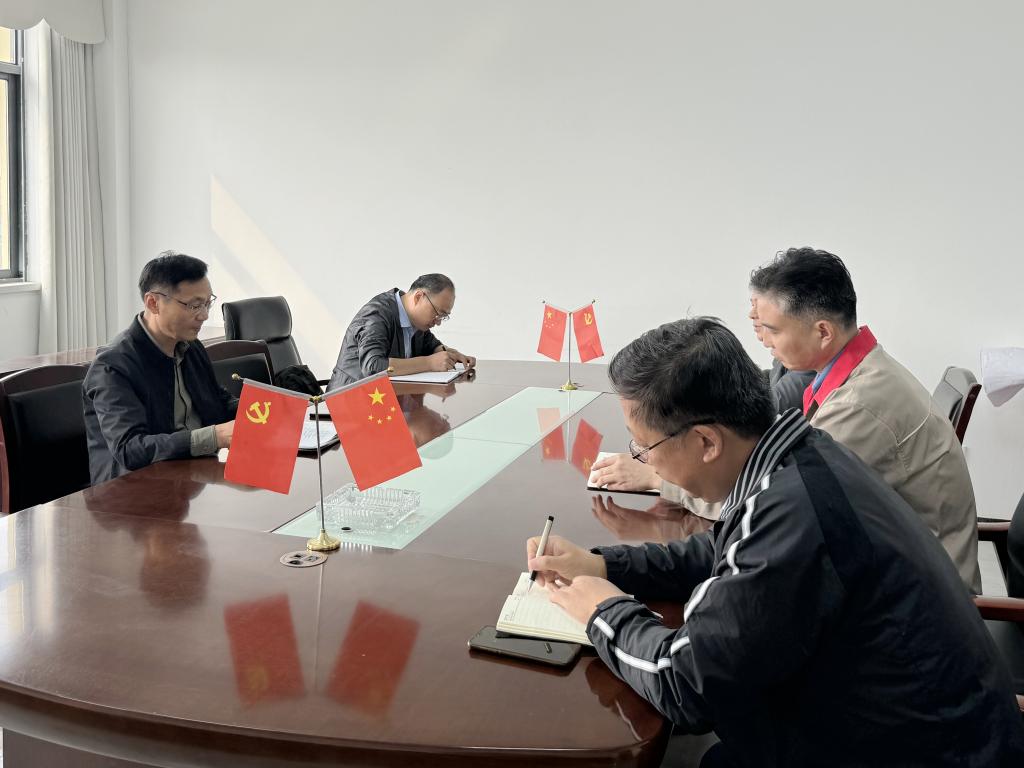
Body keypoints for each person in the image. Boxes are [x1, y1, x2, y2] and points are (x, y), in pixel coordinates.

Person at [527, 318, 1023, 767]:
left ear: (707, 442)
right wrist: (605, 566)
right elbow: (722, 548)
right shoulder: (798, 455)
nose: (642, 458)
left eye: (644, 446)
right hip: (905, 722)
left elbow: (684, 685)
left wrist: (602, 611)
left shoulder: (792, 513)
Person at [593, 248, 981, 593]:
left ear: (823, 332)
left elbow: (772, 503)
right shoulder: (859, 372)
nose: (763, 340)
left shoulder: (859, 408)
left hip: (921, 600)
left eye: (772, 330)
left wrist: (660, 479)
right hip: (891, 566)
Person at [83, 252, 236, 484]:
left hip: (191, 479)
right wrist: (215, 437)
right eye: (194, 305)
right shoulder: (113, 366)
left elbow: (217, 401)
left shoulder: (190, 347)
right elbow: (130, 449)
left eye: (207, 303)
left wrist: (269, 409)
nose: (204, 316)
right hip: (131, 492)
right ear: (153, 303)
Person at [327, 274, 476, 389]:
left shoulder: (417, 321)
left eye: (443, 317)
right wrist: (429, 363)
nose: (438, 322)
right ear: (418, 297)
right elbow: (373, 366)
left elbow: (431, 345)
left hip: (387, 402)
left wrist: (449, 354)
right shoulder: (377, 314)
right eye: (438, 313)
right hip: (348, 403)